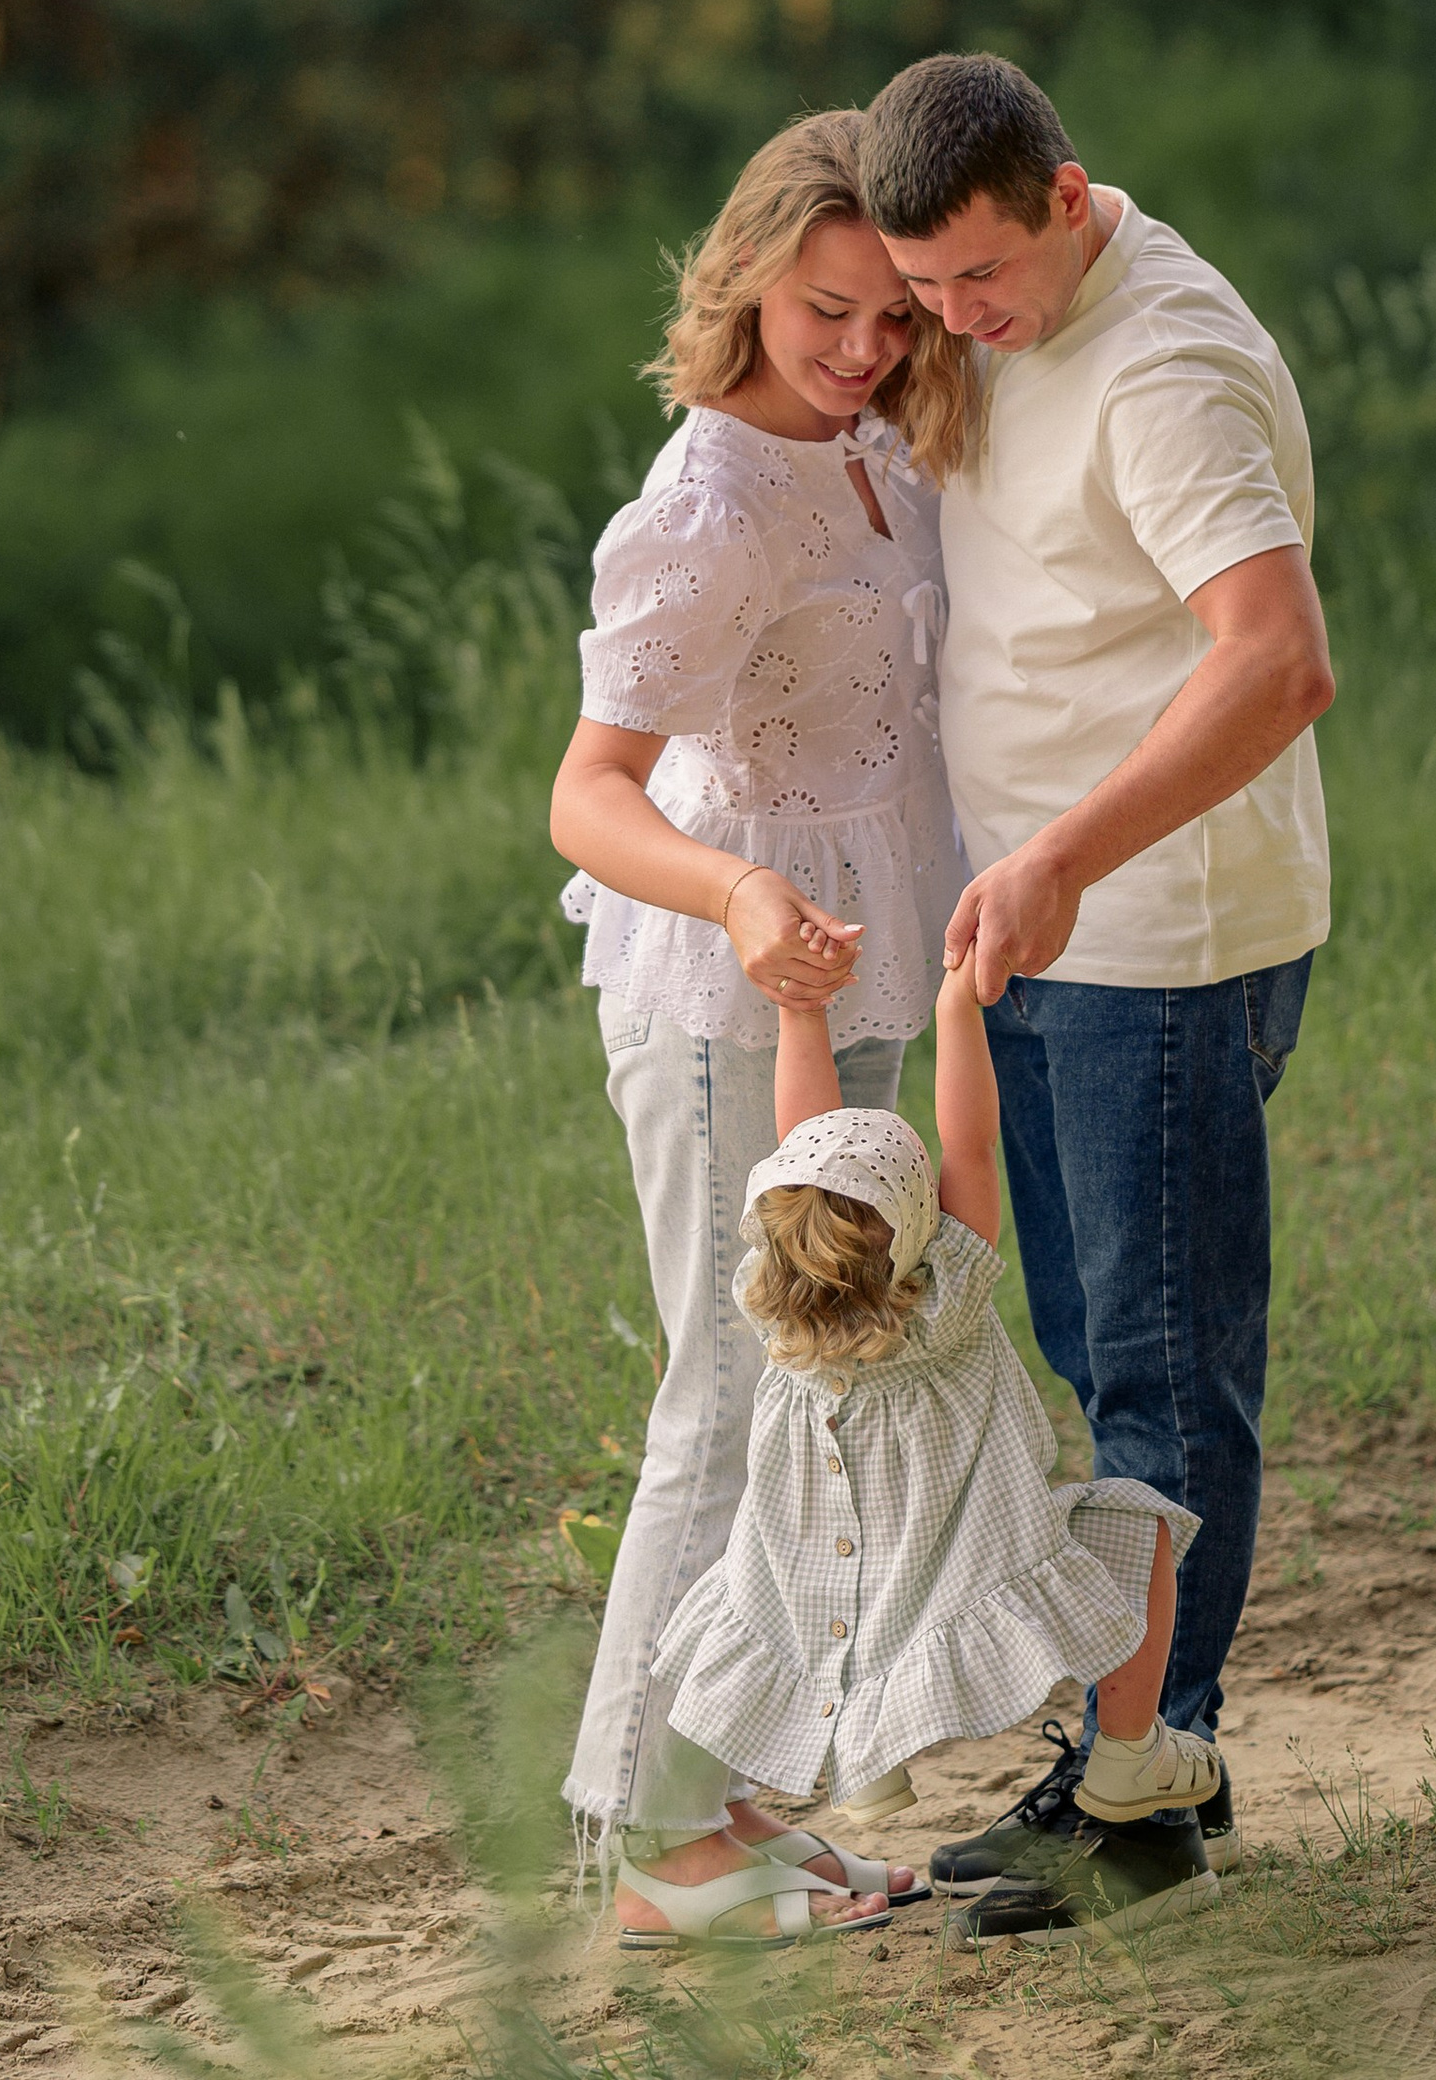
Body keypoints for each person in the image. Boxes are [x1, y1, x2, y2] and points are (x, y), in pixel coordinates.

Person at [856, 53, 1334, 1897]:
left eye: (979, 282)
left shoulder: (1168, 365)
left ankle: (1139, 1787)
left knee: (1154, 1375)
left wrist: (1064, 848)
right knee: (1090, 1351)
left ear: (1068, 196)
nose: (955, 327)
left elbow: (1277, 659)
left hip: (1155, 932)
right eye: (925, 297)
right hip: (1040, 924)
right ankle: (1152, 1755)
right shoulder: (997, 302)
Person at [548, 109, 972, 1942]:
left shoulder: (874, 445)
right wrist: (733, 895)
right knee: (722, 1400)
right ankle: (646, 1845)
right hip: (734, 988)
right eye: (825, 306)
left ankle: (725, 1804)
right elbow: (588, 791)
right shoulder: (707, 502)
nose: (863, 344)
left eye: (891, 312)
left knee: (814, 1395)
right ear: (742, 277)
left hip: (851, 970)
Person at [630, 956, 1216, 1949]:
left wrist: (799, 1010)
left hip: (828, 1593)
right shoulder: (942, 1300)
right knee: (1135, 1525)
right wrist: (956, 1002)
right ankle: (1127, 1751)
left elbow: (804, 1138)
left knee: (748, 1618)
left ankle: (853, 1762)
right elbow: (971, 1140)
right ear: (912, 1228)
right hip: (959, 1564)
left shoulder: (772, 1303)